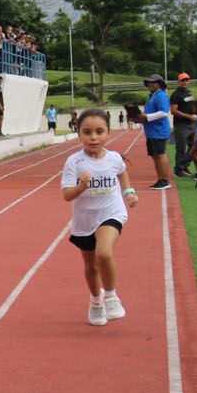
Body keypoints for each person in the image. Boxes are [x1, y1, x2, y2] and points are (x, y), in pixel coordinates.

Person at [61, 109, 137, 327]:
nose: (93, 137)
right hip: (85, 219)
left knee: (104, 253)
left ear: (108, 133)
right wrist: (82, 186)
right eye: (87, 132)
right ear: (79, 134)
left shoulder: (114, 158)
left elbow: (122, 171)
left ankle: (111, 296)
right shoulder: (74, 162)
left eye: (99, 132)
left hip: (111, 213)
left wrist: (128, 192)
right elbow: (67, 195)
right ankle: (96, 301)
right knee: (91, 266)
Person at [140, 73, 173, 189]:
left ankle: (165, 180)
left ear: (159, 84)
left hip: (159, 131)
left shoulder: (161, 95)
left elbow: (163, 112)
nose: (150, 84)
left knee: (160, 154)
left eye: (153, 82)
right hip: (152, 131)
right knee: (155, 156)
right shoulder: (152, 96)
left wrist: (147, 117)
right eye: (149, 83)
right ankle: (160, 179)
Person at [169, 73, 197, 176]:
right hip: (181, 125)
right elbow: (173, 111)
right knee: (181, 148)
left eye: (187, 80)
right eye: (183, 80)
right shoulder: (176, 94)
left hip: (192, 124)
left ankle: (184, 166)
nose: (185, 82)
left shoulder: (189, 92)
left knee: (194, 147)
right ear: (178, 82)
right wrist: (189, 117)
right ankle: (179, 170)